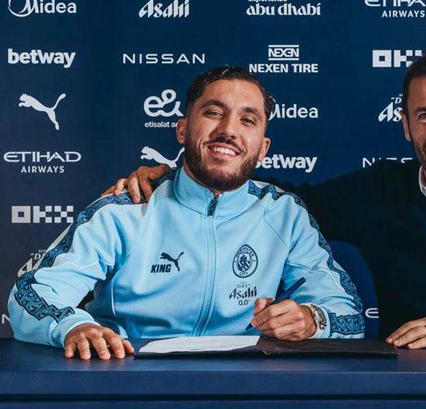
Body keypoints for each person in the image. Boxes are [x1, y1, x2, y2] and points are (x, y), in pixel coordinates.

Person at [108, 48, 426, 348]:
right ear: (406, 125)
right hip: (405, 390)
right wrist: (184, 176)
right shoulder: (381, 191)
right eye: (425, 116)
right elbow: (276, 197)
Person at [8, 67, 364, 360]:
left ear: (263, 149)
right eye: (214, 113)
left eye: (248, 120)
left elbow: (348, 314)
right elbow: (31, 296)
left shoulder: (285, 215)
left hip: (246, 394)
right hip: (129, 385)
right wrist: (75, 326)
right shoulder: (123, 211)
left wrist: (313, 319)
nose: (228, 130)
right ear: (182, 129)